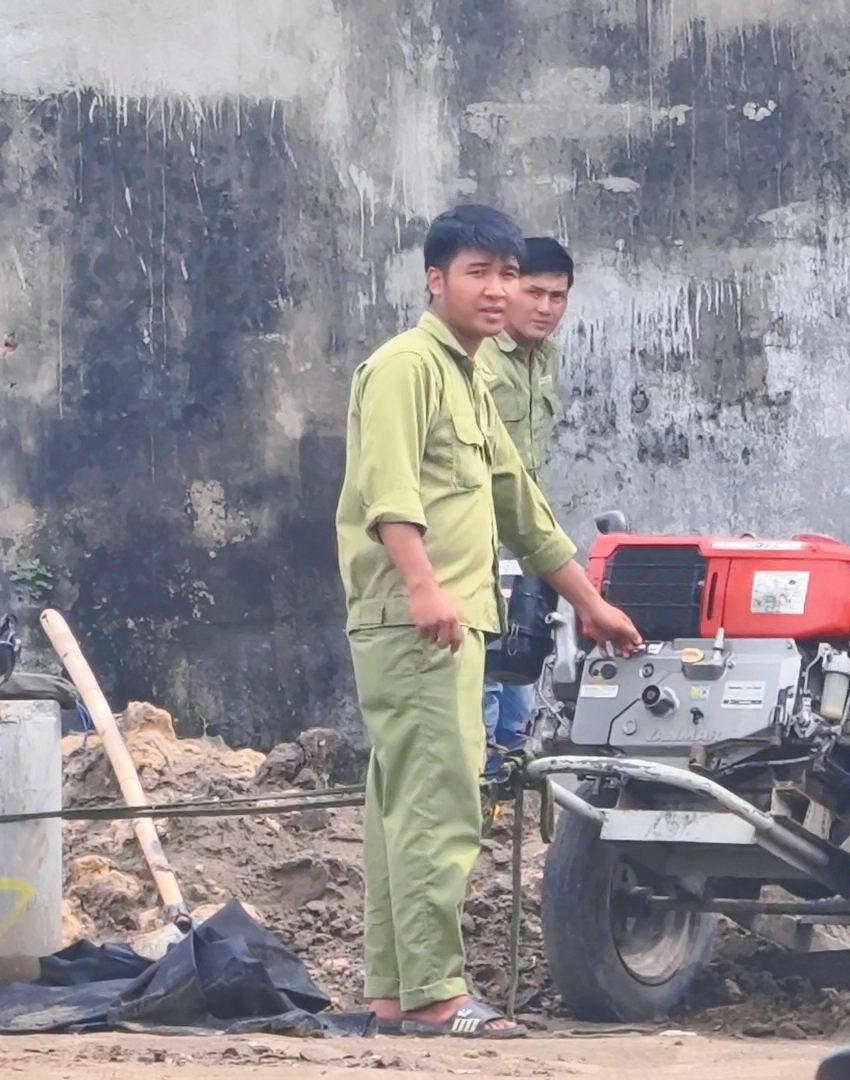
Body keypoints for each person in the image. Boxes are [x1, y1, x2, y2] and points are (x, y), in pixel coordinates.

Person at [334, 204, 642, 1037]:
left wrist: (590, 602)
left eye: (510, 275)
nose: (501, 291)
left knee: (405, 804)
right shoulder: (405, 368)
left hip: (447, 619)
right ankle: (437, 996)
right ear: (436, 280)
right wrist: (424, 586)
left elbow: (522, 507)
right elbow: (386, 491)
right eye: (481, 272)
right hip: (420, 619)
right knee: (440, 803)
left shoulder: (469, 376)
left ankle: (396, 993)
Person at [478, 237, 573, 761]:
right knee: (484, 669)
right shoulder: (480, 358)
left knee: (520, 658)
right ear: (506, 287)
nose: (545, 308)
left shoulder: (546, 361)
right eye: (534, 292)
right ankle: (481, 779)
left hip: (522, 536)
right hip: (475, 535)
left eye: (557, 297)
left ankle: (505, 784)